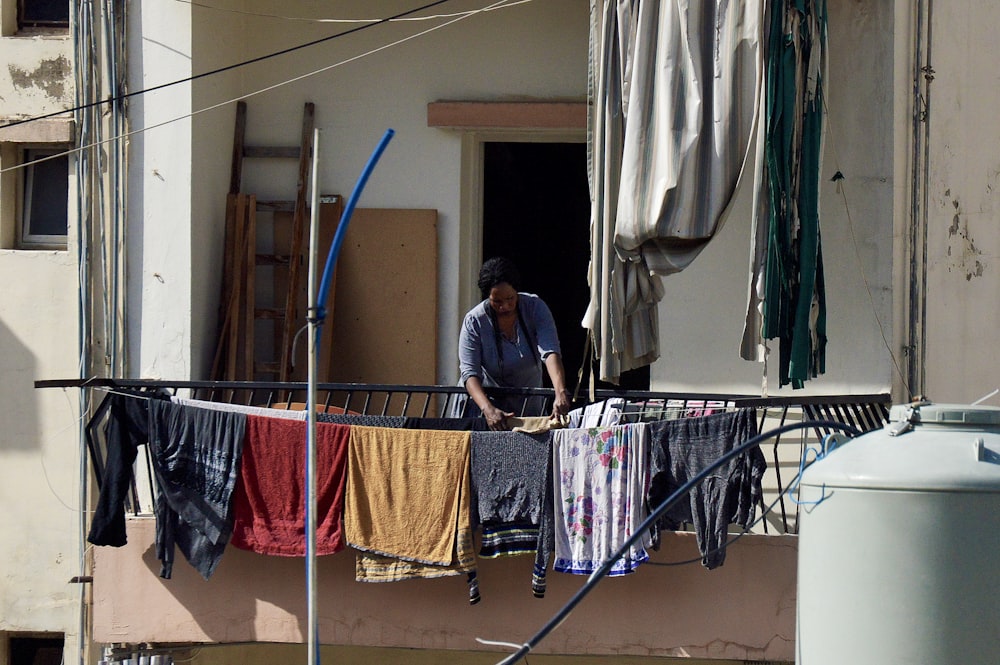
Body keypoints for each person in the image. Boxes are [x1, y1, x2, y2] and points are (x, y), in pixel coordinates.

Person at [459, 257, 572, 430]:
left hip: (527, 404)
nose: (505, 306)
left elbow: (550, 352)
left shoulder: (535, 308)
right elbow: (470, 373)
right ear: (486, 297)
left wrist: (560, 391)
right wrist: (488, 409)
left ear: (517, 291)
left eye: (510, 298)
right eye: (497, 301)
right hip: (485, 408)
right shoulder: (474, 321)